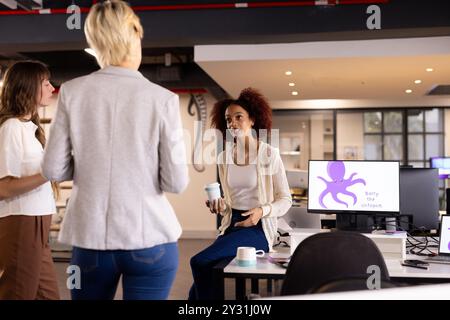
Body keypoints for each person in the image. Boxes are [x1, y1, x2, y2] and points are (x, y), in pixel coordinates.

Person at [42, 0, 188, 300]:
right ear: (135, 33)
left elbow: (53, 169)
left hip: (90, 243)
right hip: (151, 241)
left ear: (95, 42)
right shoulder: (163, 99)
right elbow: (176, 182)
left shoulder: (72, 91)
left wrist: (87, 162)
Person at [189, 88, 292, 300]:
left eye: (239, 117)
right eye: (228, 120)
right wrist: (219, 205)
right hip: (231, 225)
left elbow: (285, 199)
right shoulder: (224, 157)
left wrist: (261, 211)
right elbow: (230, 201)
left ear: (252, 120)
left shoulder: (269, 155)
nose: (232, 123)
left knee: (198, 261)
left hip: (258, 228)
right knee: (205, 272)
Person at [0, 61, 59, 300]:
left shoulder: (29, 128)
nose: (52, 88)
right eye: (45, 83)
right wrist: (47, 173)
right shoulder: (11, 127)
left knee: (48, 296)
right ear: (28, 86)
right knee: (17, 294)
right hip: (21, 222)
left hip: (37, 224)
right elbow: (3, 188)